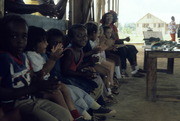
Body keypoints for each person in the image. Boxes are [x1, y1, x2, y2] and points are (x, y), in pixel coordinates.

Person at [0, 15, 71, 121]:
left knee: (64, 114)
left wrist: (46, 82)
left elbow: (33, 77)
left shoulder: (23, 57)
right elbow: (2, 93)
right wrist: (36, 87)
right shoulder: (3, 59)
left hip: (31, 99)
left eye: (24, 36)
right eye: (14, 36)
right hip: (15, 105)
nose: (20, 41)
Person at [46, 28, 115, 120]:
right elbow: (65, 72)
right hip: (62, 80)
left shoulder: (75, 51)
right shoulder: (60, 54)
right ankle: (89, 115)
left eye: (60, 43)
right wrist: (83, 74)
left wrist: (88, 66)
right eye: (55, 43)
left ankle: (94, 110)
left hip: (62, 80)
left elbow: (77, 65)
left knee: (87, 85)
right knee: (76, 90)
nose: (83, 38)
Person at [101, 11, 145, 78]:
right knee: (124, 49)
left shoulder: (113, 27)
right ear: (104, 18)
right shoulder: (102, 28)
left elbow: (115, 39)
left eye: (111, 17)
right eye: (107, 17)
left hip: (114, 44)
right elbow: (106, 41)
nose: (109, 18)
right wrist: (115, 44)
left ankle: (135, 69)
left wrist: (124, 40)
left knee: (132, 48)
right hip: (109, 47)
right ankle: (124, 71)